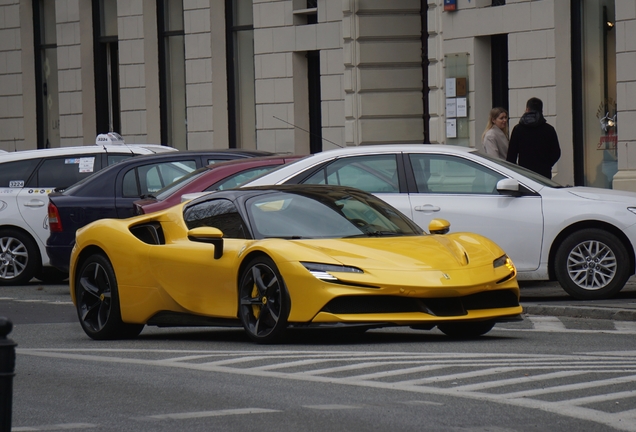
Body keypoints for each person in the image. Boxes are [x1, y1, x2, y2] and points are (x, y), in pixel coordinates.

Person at [506, 97, 561, 178]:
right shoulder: (549, 129)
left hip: (524, 174)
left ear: (527, 109)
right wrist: (547, 165)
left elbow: (511, 156)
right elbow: (556, 153)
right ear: (541, 111)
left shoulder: (518, 129)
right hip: (543, 174)